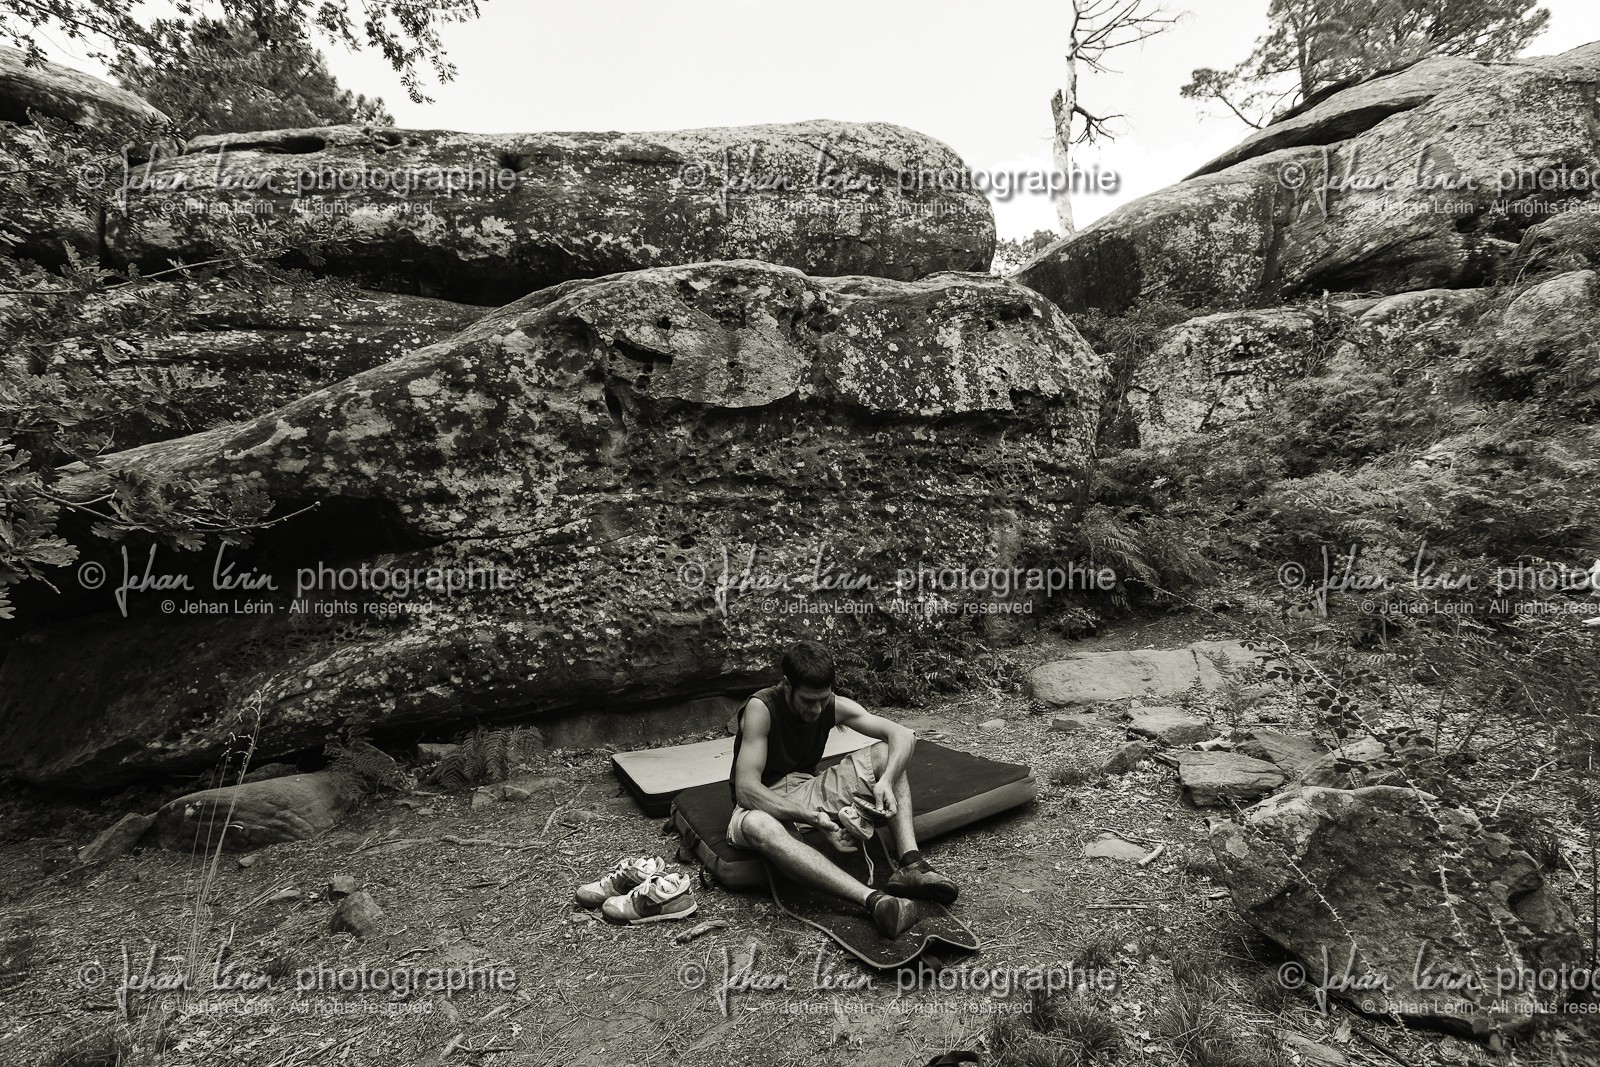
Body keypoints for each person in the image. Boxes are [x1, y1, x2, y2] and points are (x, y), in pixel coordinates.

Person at [727, 640, 959, 938]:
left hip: (806, 788)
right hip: (759, 802)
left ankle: (911, 865)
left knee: (886, 755)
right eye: (808, 700)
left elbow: (902, 734)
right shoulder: (762, 708)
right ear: (787, 685)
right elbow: (747, 790)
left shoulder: (830, 705)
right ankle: (874, 901)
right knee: (759, 825)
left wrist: (886, 779)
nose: (816, 709)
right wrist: (812, 817)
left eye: (822, 699)